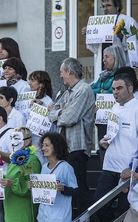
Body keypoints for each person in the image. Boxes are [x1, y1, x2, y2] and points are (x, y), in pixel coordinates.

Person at [48, 57, 95, 217]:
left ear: (69, 71)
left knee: (79, 188)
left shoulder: (83, 90)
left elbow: (70, 118)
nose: (60, 76)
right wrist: (60, 112)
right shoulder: (66, 91)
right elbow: (51, 113)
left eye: (61, 72)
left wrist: (58, 113)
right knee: (68, 187)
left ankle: (83, 219)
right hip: (65, 147)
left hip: (77, 147)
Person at [93, 73, 138, 221]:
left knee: (124, 210)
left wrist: (132, 167)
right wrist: (103, 143)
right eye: (113, 89)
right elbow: (112, 136)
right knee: (98, 205)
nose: (115, 92)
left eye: (119, 88)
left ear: (130, 89)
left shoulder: (136, 109)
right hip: (110, 165)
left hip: (128, 171)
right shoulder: (114, 108)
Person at [82, 0, 138, 78]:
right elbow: (96, 50)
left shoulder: (129, 22)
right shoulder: (100, 23)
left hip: (122, 68)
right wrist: (89, 36)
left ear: (117, 7)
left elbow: (135, 48)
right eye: (103, 6)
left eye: (108, 5)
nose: (105, 9)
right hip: (103, 70)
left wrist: (122, 37)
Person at [34, 132, 78, 222]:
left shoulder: (65, 167)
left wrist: (63, 189)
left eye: (47, 145)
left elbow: (76, 191)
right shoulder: (44, 167)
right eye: (42, 145)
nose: (43, 148)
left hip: (59, 217)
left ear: (56, 147)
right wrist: (34, 186)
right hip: (43, 216)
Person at [0, 126, 41, 222]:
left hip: (23, 210)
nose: (13, 142)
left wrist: (12, 183)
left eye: (17, 138)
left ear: (27, 141)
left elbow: (34, 187)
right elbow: (11, 178)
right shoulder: (14, 159)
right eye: (11, 138)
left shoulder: (31, 159)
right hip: (10, 209)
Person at [28, 70, 54, 164]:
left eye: (33, 80)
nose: (30, 83)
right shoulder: (29, 98)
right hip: (30, 142)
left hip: (40, 142)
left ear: (41, 84)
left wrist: (41, 106)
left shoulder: (48, 102)